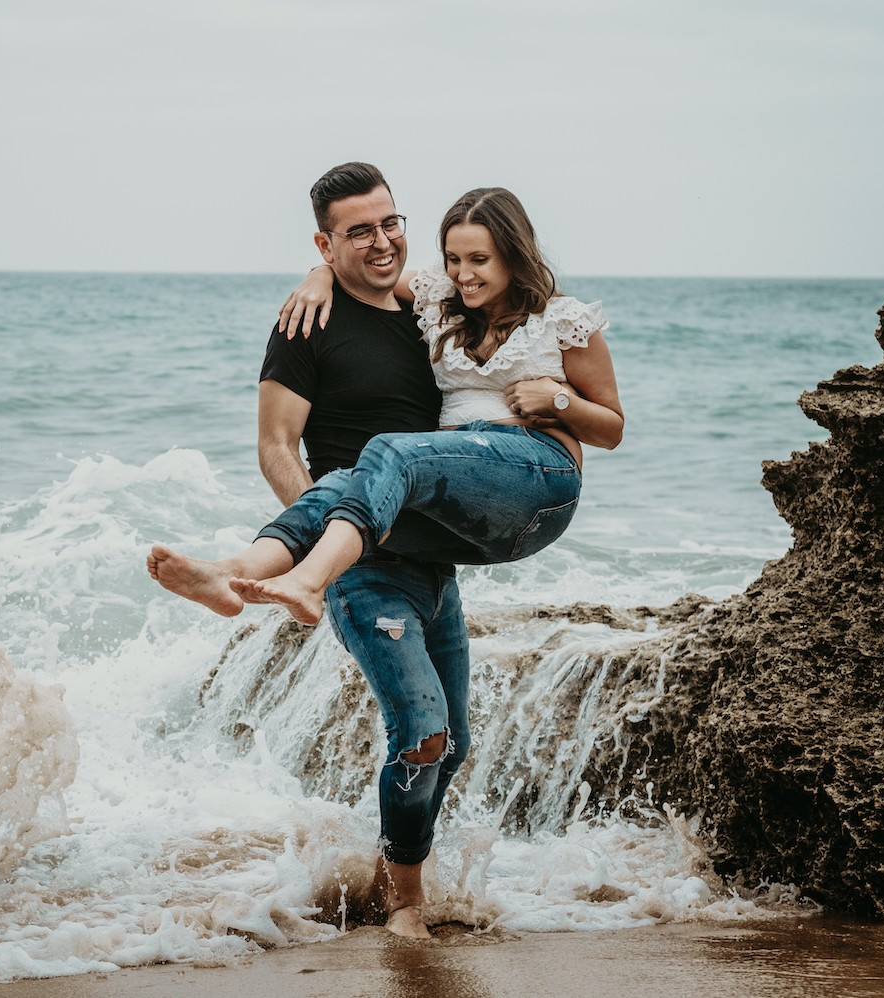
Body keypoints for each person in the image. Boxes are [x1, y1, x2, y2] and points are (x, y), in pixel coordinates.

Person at [148, 169, 623, 938]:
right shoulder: (307, 323)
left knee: (450, 736)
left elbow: (601, 418)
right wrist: (340, 546)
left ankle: (252, 574)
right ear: (325, 242)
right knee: (428, 731)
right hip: (358, 557)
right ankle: (404, 898)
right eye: (357, 232)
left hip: (432, 539)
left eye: (389, 224)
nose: (382, 242)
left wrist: (558, 402)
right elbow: (275, 446)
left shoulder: (425, 308)